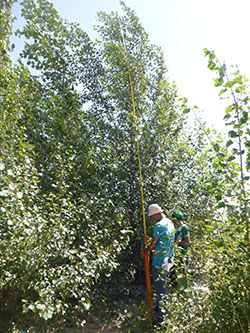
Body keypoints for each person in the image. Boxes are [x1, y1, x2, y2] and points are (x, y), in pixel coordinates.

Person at [143, 204, 175, 326]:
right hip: (168, 259)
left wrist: (146, 250)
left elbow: (154, 245)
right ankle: (161, 309)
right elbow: (162, 240)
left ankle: (162, 319)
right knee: (163, 285)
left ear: (157, 214)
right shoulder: (170, 223)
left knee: (160, 288)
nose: (152, 219)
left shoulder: (159, 225)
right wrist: (150, 239)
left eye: (152, 216)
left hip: (159, 261)